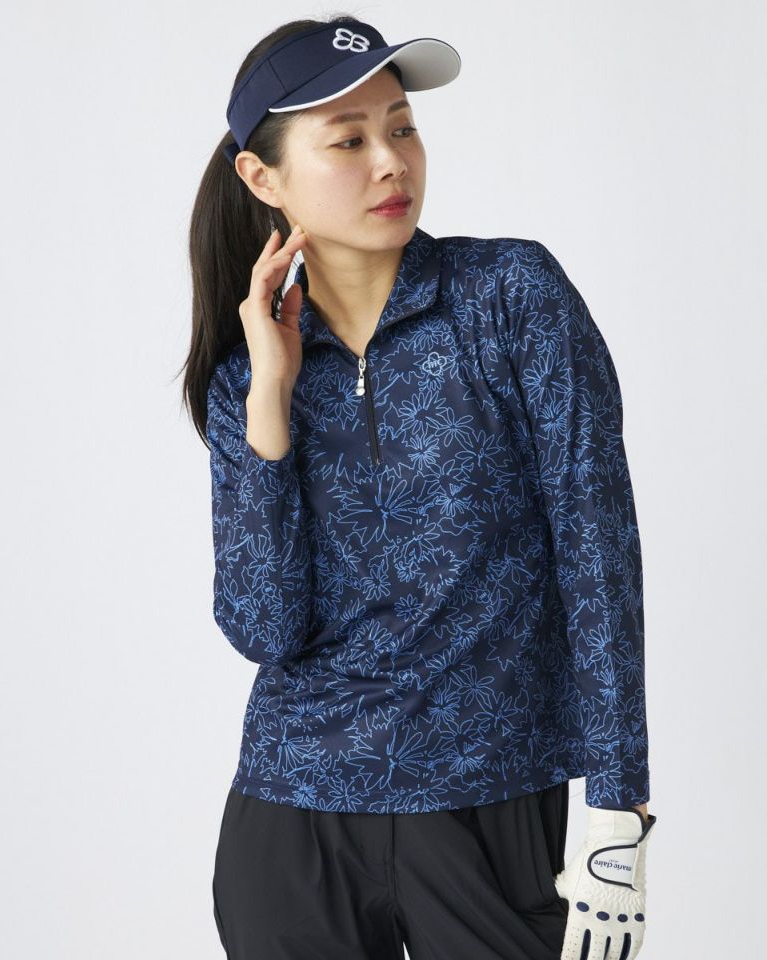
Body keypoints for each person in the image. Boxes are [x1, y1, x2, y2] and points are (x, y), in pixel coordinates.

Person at [181, 14, 658, 960]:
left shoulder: (511, 297)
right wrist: (271, 397)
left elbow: (598, 551)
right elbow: (264, 627)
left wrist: (619, 809)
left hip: (492, 804)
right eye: (348, 140)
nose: (391, 162)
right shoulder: (249, 378)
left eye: (401, 127)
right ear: (262, 177)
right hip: (295, 815)